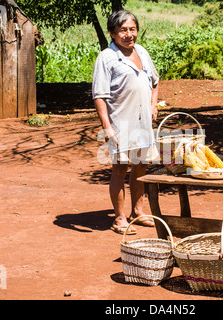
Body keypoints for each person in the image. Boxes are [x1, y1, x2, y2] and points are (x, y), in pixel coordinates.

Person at [92, 10, 160, 235]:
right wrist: (107, 127)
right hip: (120, 124)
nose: (129, 34)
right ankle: (120, 218)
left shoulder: (142, 52)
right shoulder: (107, 58)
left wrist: (153, 105)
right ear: (113, 33)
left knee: (141, 167)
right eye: (123, 30)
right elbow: (99, 95)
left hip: (142, 123)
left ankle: (137, 212)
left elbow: (155, 81)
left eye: (132, 29)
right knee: (120, 169)